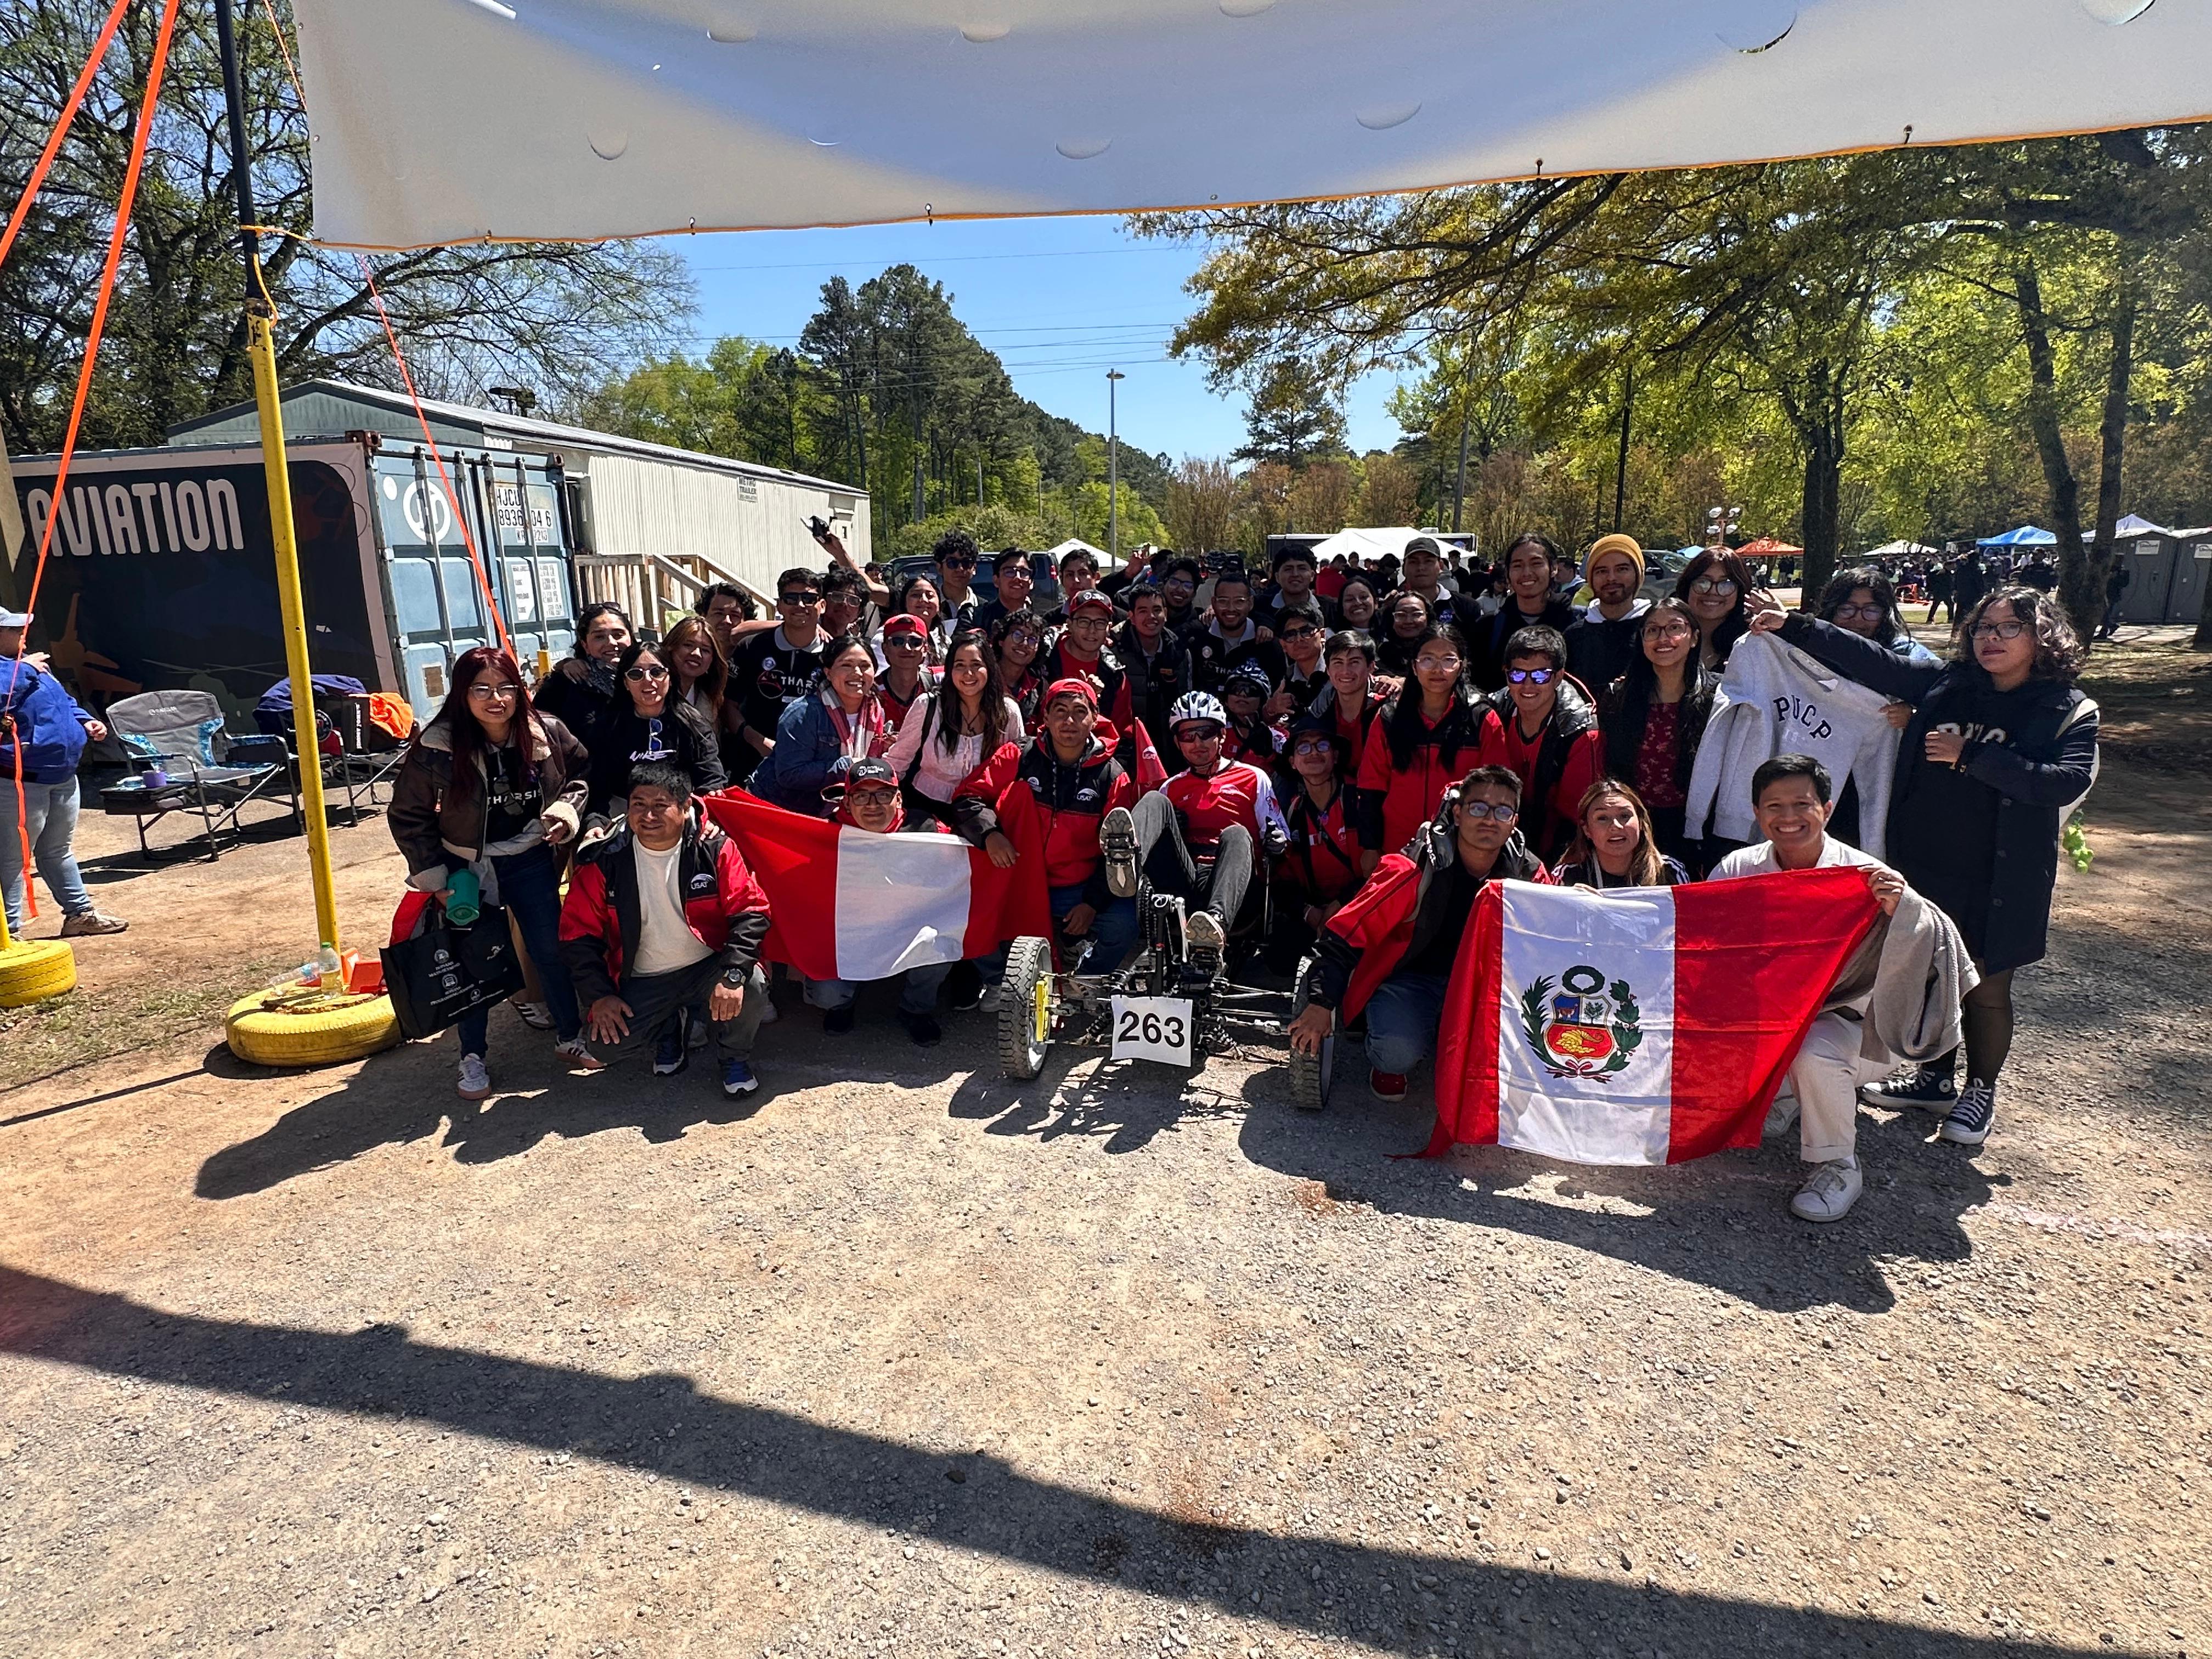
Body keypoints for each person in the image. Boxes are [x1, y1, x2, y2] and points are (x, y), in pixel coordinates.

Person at [1751, 584, 2098, 1149]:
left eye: (2009, 628)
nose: (1992, 639)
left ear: (2041, 636)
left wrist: (1974, 758)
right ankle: (1935, 1077)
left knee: (1985, 984)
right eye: (1984, 626)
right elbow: (1875, 659)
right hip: (1928, 866)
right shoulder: (1948, 685)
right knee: (1934, 969)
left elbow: (2066, 780)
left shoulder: (2066, 709)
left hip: (2001, 878)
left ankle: (1980, 1089)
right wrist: (1795, 626)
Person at [1708, 755, 1915, 1223]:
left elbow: (1923, 955)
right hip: (1770, 1015)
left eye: (1801, 804)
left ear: (1827, 806)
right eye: (1773, 807)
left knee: (1813, 1051)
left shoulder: (1867, 876)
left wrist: (1903, 914)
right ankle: (1783, 1096)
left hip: (1857, 1028)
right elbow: (1703, 946)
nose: (1787, 818)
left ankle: (1839, 1162)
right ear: (1757, 814)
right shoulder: (1738, 868)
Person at [390, 646, 597, 1096]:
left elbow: (583, 775)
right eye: (481, 688)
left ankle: (570, 1037)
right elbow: (408, 815)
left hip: (530, 859)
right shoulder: (437, 745)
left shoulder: (546, 731)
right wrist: (436, 879)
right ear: (462, 694)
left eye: (506, 687)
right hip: (464, 867)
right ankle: (472, 1058)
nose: (495, 698)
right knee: (474, 963)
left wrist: (566, 807)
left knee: (550, 951)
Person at [1288, 765, 1551, 1101]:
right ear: (1457, 813)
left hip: (1483, 987)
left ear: (1514, 821)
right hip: (1412, 980)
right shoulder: (1413, 869)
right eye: (1478, 807)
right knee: (1396, 1052)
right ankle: (1385, 1052)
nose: (1490, 819)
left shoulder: (1530, 877)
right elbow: (1346, 933)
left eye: (1503, 811)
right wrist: (1320, 1003)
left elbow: (1552, 945)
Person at [558, 761, 771, 1097]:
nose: (648, 816)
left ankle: (734, 1059)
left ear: (686, 807)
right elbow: (576, 935)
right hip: (643, 978)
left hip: (706, 966)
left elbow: (751, 911)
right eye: (638, 805)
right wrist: (600, 996)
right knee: (604, 1048)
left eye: (661, 806)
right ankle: (669, 1028)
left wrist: (732, 976)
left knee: (753, 985)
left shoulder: (714, 847)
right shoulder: (605, 859)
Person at [953, 678, 1144, 988]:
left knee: (1125, 921)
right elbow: (967, 799)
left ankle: (1084, 981)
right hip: (1015, 875)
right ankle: (1001, 982)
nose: (1069, 721)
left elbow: (1117, 852)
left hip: (1075, 886)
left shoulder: (1112, 775)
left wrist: (1092, 904)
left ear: (1094, 719)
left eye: (1080, 712)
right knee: (963, 910)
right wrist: (990, 835)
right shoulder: (1019, 755)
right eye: (1060, 711)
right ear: (1045, 717)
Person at [1098, 692, 1288, 976]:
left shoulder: (1254, 777)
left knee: (1236, 833)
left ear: (1222, 735)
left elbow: (1282, 837)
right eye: (1188, 736)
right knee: (1154, 801)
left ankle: (1214, 928)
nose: (1197, 743)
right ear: (1177, 743)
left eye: (1206, 733)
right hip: (1184, 886)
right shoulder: (1172, 787)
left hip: (1235, 886)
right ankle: (1126, 862)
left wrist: (1278, 843)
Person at [798, 757, 953, 1045]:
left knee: (941, 943)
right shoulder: (825, 835)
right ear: (846, 802)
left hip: (909, 931)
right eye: (861, 795)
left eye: (882, 794)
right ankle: (843, 1005)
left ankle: (915, 1009)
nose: (872, 805)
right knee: (826, 995)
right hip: (851, 935)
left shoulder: (927, 830)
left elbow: (964, 865)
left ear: (898, 798)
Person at [0, 615, 126, 938]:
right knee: (14, 857)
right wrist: (26, 669)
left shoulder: (30, 665)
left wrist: (85, 721)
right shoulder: (22, 668)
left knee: (58, 850)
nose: (24, 633)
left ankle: (79, 915)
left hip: (62, 773)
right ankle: (8, 934)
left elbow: (64, 702)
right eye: (16, 629)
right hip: (20, 780)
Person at [1598, 598, 1716, 868]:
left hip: (1697, 829)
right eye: (1652, 630)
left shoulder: (1718, 699)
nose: (1663, 638)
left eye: (1674, 628)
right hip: (1634, 826)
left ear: (1694, 637)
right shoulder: (1619, 697)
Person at [1472, 625, 1605, 864]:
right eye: (1518, 675)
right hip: (1499, 836)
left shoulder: (1581, 731)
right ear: (1506, 674)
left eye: (1541, 675)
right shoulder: (1493, 711)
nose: (1528, 685)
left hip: (1555, 851)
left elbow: (1576, 818)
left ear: (1559, 676)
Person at [1356, 624, 1480, 872]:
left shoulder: (1480, 717)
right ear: (1414, 666)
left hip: (1461, 851)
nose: (1437, 669)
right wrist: (1370, 847)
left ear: (1462, 666)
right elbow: (1371, 787)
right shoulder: (1390, 717)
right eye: (1427, 659)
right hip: (1398, 849)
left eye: (1448, 660)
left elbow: (1495, 789)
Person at [885, 629, 1023, 823]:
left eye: (976, 665)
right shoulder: (928, 706)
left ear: (990, 669)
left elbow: (1017, 768)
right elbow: (897, 761)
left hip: (984, 813)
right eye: (960, 665)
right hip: (925, 810)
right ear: (949, 670)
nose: (968, 674)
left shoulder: (1007, 712)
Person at [583, 641, 726, 817]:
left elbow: (711, 779)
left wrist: (702, 813)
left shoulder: (694, 724)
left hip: (684, 813)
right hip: (623, 815)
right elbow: (597, 786)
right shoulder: (606, 727)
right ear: (626, 683)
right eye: (636, 674)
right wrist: (596, 822)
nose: (648, 680)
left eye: (657, 672)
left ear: (671, 678)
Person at [1265, 718, 1363, 974]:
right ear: (1293, 763)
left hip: (1361, 907)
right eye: (1304, 748)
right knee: (1279, 958)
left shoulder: (1358, 800)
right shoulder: (1295, 810)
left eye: (1322, 746)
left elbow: (1379, 867)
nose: (1314, 754)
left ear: (1336, 756)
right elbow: (1283, 877)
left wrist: (1340, 906)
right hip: (1317, 913)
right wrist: (1311, 914)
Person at [749, 633, 887, 816]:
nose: (857, 673)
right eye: (846, 665)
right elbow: (789, 774)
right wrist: (848, 766)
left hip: (837, 812)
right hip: (781, 810)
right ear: (828, 673)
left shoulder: (876, 713)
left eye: (865, 666)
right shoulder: (803, 713)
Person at [728, 568, 828, 785]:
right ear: (779, 606)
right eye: (791, 598)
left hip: (814, 765)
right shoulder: (752, 647)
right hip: (754, 760)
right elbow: (728, 705)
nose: (800, 605)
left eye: (809, 598)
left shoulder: (835, 654)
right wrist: (757, 741)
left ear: (822, 606)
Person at [1468, 535, 1577, 690]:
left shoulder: (1575, 626)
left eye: (1536, 564)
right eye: (1518, 566)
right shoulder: (1487, 629)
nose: (1527, 573)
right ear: (1508, 574)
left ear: (1553, 568)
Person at [1549, 778, 1690, 889]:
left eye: (1625, 816)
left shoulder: (1670, 871)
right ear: (1587, 830)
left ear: (1641, 823)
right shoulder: (1566, 876)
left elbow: (1690, 923)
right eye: (1602, 818)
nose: (1616, 826)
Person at [662, 614, 749, 781]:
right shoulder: (652, 694)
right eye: (688, 645)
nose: (696, 654)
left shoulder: (712, 701)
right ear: (670, 648)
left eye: (705, 650)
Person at [1564, 533, 1651, 696]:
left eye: (1622, 569)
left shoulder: (1655, 631)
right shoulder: (1573, 637)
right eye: (1602, 571)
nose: (1611, 578)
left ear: (1637, 574)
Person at [533, 601, 632, 734]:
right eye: (599, 637)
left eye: (618, 635)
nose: (611, 642)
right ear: (585, 645)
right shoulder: (565, 683)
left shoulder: (649, 676)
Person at [1040, 590, 1135, 725]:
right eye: (1084, 622)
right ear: (1070, 625)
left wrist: (1092, 704)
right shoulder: (1044, 655)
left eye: (1100, 623)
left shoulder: (1114, 674)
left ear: (1109, 629)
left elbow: (1121, 731)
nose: (1092, 630)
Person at [1186, 568, 1284, 694]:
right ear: (1213, 603)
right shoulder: (1196, 640)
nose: (1231, 608)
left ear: (1251, 603)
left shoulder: (1268, 645)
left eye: (1239, 602)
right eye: (1223, 601)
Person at [1113, 580, 1190, 738]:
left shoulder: (1180, 653)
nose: (1151, 617)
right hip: (1127, 744)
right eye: (1143, 611)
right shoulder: (1114, 652)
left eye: (1157, 610)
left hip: (1170, 745)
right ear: (1132, 617)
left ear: (1166, 614)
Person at [1814, 567, 1939, 665]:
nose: (1858, 618)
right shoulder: (1808, 652)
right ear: (1830, 611)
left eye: (1871, 610)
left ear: (1886, 615)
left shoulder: (1905, 654)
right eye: (1847, 609)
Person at [1304, 629, 1385, 776]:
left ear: (1371, 667)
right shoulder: (1320, 711)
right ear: (1328, 670)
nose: (1345, 671)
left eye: (1354, 662)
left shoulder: (1387, 708)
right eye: (1338, 663)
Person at [1672, 548, 1759, 671]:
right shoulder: (1665, 634)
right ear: (1687, 587)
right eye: (1703, 582)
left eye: (1726, 584)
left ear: (1740, 591)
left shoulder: (1754, 640)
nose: (1713, 592)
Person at [873, 613, 940, 731]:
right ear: (885, 648)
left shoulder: (939, 681)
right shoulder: (872, 692)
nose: (907, 648)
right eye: (898, 641)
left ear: (925, 649)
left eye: (916, 642)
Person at [1266, 606, 1330, 723]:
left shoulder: (1340, 667)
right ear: (1283, 645)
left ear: (1322, 635)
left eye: (1306, 632)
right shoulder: (1283, 678)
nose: (1299, 639)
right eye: (1290, 635)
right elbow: (1266, 718)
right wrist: (1272, 709)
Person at [991, 608, 1047, 724]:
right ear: (1001, 640)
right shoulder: (985, 679)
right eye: (1018, 635)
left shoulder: (1039, 688)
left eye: (1033, 639)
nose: (1025, 644)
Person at [1219, 664, 1281, 768]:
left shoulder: (1278, 737)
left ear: (1263, 700)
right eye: (1235, 689)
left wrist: (1270, 756)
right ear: (1226, 700)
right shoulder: (1215, 732)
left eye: (1251, 691)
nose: (1242, 695)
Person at [1259, 546, 1330, 631]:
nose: (1295, 574)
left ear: (1312, 575)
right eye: (1288, 569)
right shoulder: (1259, 608)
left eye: (1302, 569)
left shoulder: (1330, 611)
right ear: (1277, 577)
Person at [697, 582, 776, 656]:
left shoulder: (758, 657)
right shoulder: (694, 655)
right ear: (704, 616)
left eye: (734, 615)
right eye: (719, 613)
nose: (727, 621)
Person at [1397, 535, 1462, 627]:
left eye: (1428, 561)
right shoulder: (1392, 608)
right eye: (1414, 562)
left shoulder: (1465, 607)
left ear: (1441, 566)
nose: (1421, 568)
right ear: (1404, 568)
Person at [1374, 589, 1438, 680]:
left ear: (1428, 617)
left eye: (1416, 614)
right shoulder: (1382, 653)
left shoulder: (1440, 650)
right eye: (1401, 615)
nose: (1409, 621)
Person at [885, 573, 949, 663]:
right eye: (916, 595)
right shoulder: (889, 635)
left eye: (930, 596)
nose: (924, 600)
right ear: (904, 603)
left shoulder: (945, 638)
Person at [972, 546, 1035, 635]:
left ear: (1031, 583)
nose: (1017, 578)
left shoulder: (1037, 625)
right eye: (1009, 572)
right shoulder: (975, 618)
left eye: (1024, 573)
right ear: (996, 580)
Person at [932, 529, 982, 630]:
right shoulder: (929, 607)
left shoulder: (985, 609)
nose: (960, 569)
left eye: (966, 563)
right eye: (952, 563)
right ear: (939, 567)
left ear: (974, 568)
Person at [1043, 548, 1102, 625]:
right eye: (1070, 575)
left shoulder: (1116, 617)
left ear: (1096, 577)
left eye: (1083, 574)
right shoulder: (1050, 620)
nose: (1076, 580)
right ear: (1061, 580)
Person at [1158, 557, 1203, 635]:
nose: (1180, 590)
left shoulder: (1200, 624)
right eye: (1174, 583)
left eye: (1188, 586)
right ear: (1164, 584)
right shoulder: (1150, 618)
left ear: (1194, 594)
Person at [1334, 572, 1381, 636]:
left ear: (1376, 603)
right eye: (1350, 599)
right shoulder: (1328, 638)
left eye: (1363, 597)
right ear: (1341, 607)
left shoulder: (1388, 638)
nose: (1358, 603)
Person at [2098, 557, 2132, 639]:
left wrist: (2114, 577)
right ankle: (2110, 626)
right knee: (2103, 614)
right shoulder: (2106, 568)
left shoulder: (2121, 572)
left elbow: (2123, 584)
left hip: (2112, 595)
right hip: (2104, 593)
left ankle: (2105, 631)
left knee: (2105, 614)